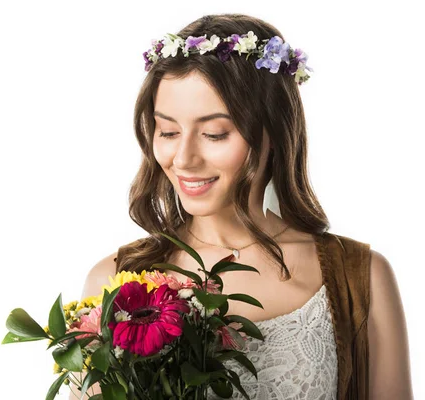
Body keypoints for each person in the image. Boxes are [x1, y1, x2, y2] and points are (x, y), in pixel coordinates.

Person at [69, 13, 413, 400]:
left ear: (274, 133)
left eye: (215, 134)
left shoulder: (360, 278)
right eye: (167, 131)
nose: (183, 158)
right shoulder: (113, 284)